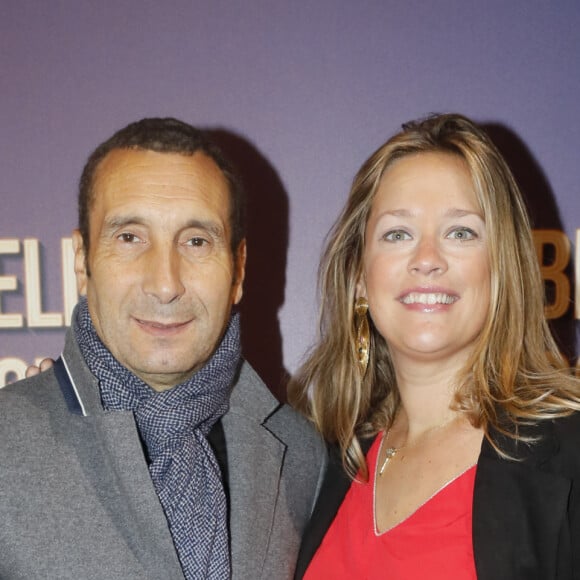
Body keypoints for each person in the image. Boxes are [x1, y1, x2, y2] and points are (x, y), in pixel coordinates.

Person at [0, 118, 326, 580]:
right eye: (130, 237)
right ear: (81, 261)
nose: (166, 283)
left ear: (238, 270)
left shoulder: (302, 457)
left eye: (196, 241)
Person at [289, 113, 580, 579]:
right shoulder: (324, 462)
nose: (426, 259)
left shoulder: (568, 456)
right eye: (397, 234)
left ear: (502, 267)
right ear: (360, 278)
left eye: (460, 232)